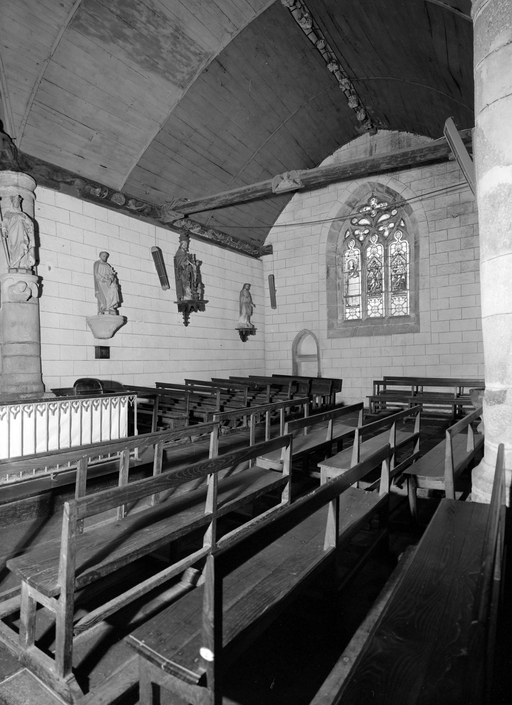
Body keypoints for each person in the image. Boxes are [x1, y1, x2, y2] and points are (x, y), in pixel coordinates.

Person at [1, 194, 36, 271]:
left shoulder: (23, 214)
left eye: (17, 202)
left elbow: (30, 223)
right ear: (12, 202)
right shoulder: (8, 214)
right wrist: (4, 230)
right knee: (14, 248)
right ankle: (14, 264)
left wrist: (29, 226)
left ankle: (23, 264)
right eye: (15, 201)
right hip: (13, 234)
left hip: (22, 234)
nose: (16, 203)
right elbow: (5, 223)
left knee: (22, 247)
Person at [174, 235, 203, 300]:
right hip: (183, 273)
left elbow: (189, 262)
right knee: (186, 284)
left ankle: (192, 294)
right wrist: (185, 264)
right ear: (181, 244)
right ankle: (186, 296)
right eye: (184, 244)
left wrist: (195, 263)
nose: (185, 245)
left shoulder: (185, 253)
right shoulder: (179, 253)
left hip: (188, 272)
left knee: (194, 281)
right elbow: (179, 264)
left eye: (186, 244)